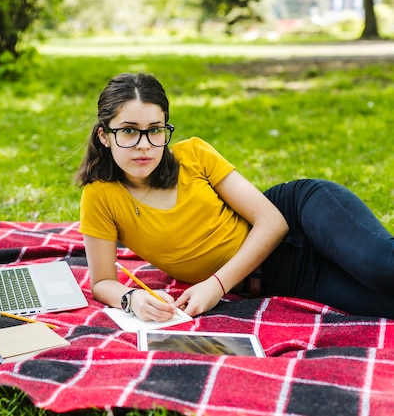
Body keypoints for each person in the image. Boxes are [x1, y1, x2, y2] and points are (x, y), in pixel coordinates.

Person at [76, 72, 394, 321]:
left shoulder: (193, 154)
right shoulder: (101, 196)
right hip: (287, 278)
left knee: (383, 268)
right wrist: (130, 298)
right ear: (105, 135)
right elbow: (103, 281)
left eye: (155, 129)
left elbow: (272, 222)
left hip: (302, 216)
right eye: (129, 130)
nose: (145, 144)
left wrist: (216, 286)